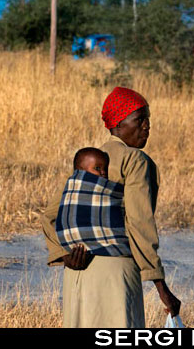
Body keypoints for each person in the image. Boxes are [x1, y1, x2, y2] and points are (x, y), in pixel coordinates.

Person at [42, 86, 181, 328]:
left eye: (148, 119)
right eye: (140, 119)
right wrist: (160, 285)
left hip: (77, 270)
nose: (147, 126)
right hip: (115, 271)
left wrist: (64, 255)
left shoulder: (89, 160)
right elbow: (139, 223)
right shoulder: (134, 160)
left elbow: (50, 216)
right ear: (118, 124)